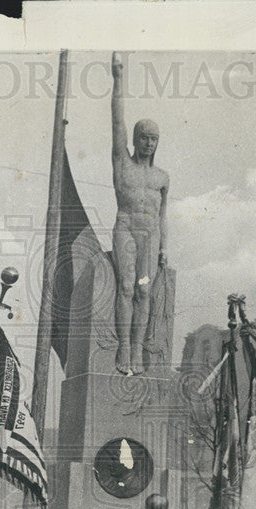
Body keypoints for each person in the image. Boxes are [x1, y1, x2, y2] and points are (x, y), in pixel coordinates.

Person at [110, 52, 170, 375]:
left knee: (144, 289)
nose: (149, 143)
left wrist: (164, 247)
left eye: (154, 139)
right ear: (135, 139)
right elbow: (117, 121)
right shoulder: (122, 162)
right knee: (126, 286)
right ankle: (123, 346)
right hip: (126, 228)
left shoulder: (162, 177)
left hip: (151, 236)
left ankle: (136, 349)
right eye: (144, 137)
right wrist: (118, 78)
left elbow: (163, 216)